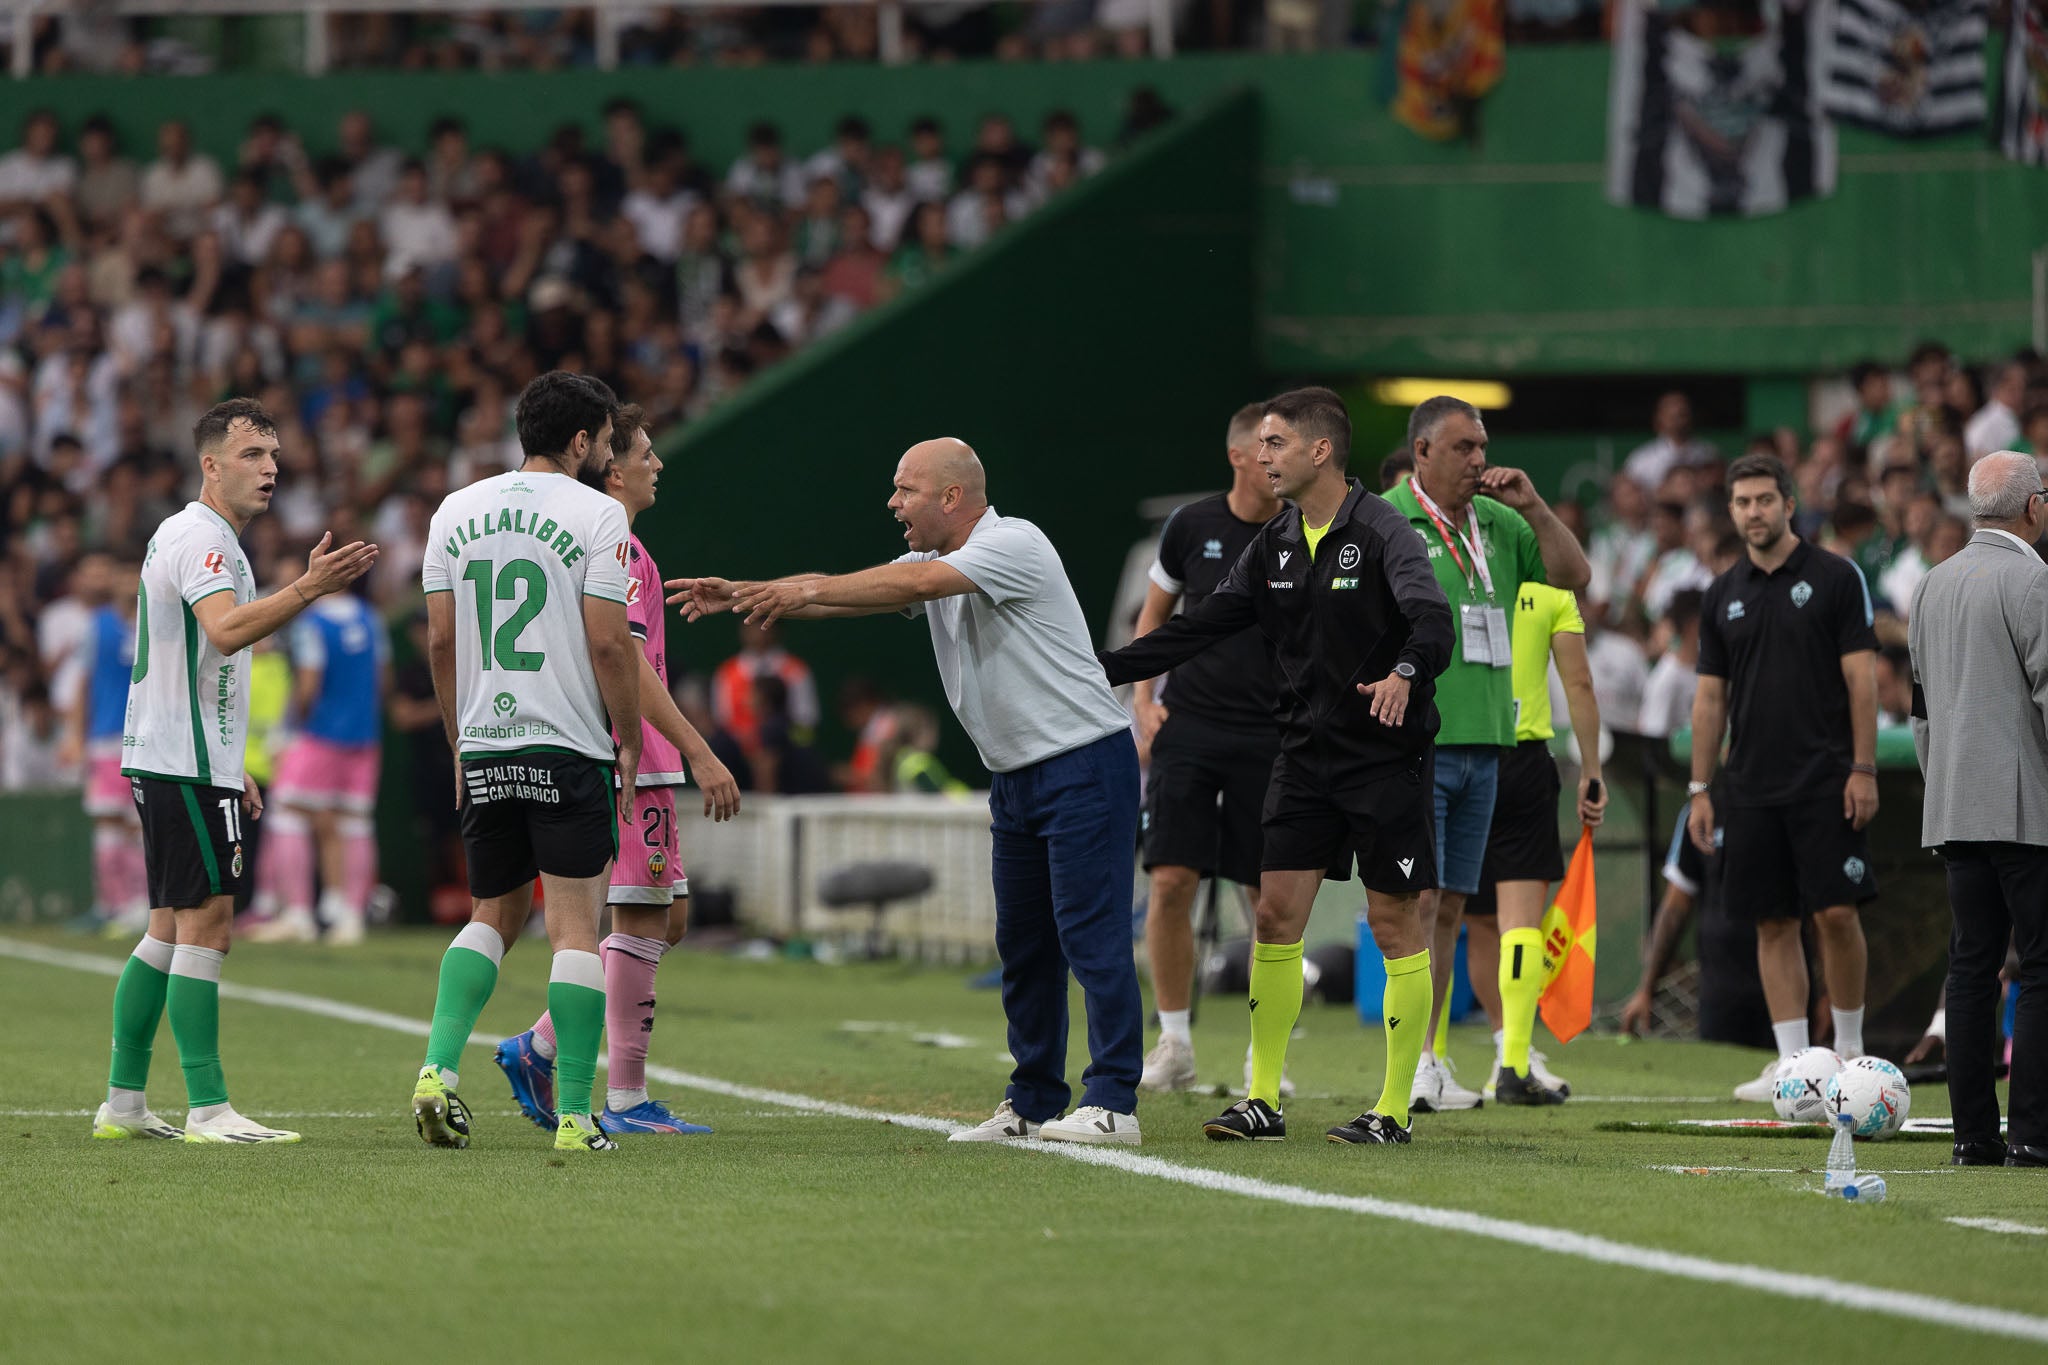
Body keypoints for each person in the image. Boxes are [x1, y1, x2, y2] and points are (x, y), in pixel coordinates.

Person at [670, 437, 1147, 1146]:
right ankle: (1034, 1100)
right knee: (1023, 943)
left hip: (1082, 764)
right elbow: (849, 593)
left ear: (951, 497)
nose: (893, 503)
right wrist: (743, 593)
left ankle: (1112, 1100)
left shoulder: (1014, 543)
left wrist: (796, 591)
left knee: (1090, 935)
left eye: (905, 490)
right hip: (1017, 776)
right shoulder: (935, 561)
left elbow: (908, 588)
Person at [1102, 387, 1455, 1146]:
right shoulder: (1277, 542)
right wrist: (1105, 670)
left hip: (1384, 758)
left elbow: (1432, 619)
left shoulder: (1385, 530)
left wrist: (1404, 673)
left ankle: (1393, 1109)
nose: (1260, 457)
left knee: (1394, 920)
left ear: (1318, 450)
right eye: (1259, 444)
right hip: (1301, 757)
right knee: (1272, 915)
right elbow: (1202, 626)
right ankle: (1262, 1098)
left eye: (1274, 444)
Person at [94, 398, 378, 1145]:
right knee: (208, 925)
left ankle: (124, 1103)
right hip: (179, 761)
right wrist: (308, 589)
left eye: (275, 455)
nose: (271, 468)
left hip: (182, 757)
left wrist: (229, 764)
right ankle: (209, 1108)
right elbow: (225, 630)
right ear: (210, 465)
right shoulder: (206, 541)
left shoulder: (196, 537)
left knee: (164, 928)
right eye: (253, 454)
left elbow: (202, 657)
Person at [410, 371, 643, 1156]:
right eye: (606, 441)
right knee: (576, 928)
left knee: (493, 914)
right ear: (581, 440)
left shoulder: (455, 508)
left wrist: (458, 739)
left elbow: (440, 642)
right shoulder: (600, 513)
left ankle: (437, 1069)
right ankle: (576, 1116)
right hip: (567, 742)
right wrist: (632, 736)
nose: (608, 455)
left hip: (485, 741)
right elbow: (611, 642)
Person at [495, 405, 741, 1138]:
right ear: (612, 469)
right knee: (639, 918)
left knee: (666, 916)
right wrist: (697, 748)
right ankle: (625, 1097)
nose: (657, 464)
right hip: (633, 757)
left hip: (625, 755)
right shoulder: (619, 551)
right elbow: (627, 658)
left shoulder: (619, 547)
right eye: (646, 452)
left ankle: (536, 1043)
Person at [1383, 396, 1590, 1113]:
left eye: (1483, 445)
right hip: (1418, 742)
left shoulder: (1502, 524)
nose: (1479, 459)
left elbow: (1575, 575)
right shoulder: (1385, 520)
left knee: (1452, 911)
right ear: (1422, 453)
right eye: (1464, 446)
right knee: (1419, 901)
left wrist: (1535, 507)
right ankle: (1410, 1063)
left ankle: (1433, 1057)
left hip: (1492, 746)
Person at [1690, 453, 1879, 1102]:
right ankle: (1795, 1061)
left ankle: (1850, 1053)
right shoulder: (1721, 593)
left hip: (1827, 777)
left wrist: (1863, 767)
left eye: (1764, 499)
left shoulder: (1834, 576)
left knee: (1834, 913)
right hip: (1748, 785)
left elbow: (1862, 680)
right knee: (1771, 921)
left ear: (1789, 503)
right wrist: (1699, 788)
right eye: (1741, 502)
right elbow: (1709, 698)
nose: (1753, 512)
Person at [1127, 402, 1281, 1094]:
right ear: (1238, 456)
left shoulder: (1303, 530)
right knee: (1170, 882)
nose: (1278, 459)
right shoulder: (1190, 525)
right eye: (1268, 446)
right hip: (1188, 726)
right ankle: (1175, 1043)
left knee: (1270, 899)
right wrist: (1141, 700)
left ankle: (1265, 1056)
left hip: (1272, 734)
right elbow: (1152, 617)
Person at [1908, 451, 2048, 1168]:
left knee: (1971, 967)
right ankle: (2032, 1132)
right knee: (2042, 966)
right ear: (2033, 508)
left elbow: (1922, 713)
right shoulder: (2034, 580)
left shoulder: (1930, 586)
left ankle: (1973, 1136)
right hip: (2028, 812)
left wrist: (1946, 788)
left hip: (1955, 805)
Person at [1459, 576, 1608, 1105]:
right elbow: (1580, 685)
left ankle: (1436, 1061)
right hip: (1523, 761)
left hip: (1459, 752)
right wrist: (1590, 769)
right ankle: (1513, 1060)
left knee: (1470, 921)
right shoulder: (1549, 587)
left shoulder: (1453, 569)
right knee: (1517, 924)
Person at [254, 581, 387, 944]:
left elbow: (310, 683)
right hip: (364, 735)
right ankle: (351, 916)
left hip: (320, 733)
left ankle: (298, 913)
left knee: (287, 810)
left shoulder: (311, 624)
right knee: (354, 822)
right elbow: (383, 679)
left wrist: (291, 728)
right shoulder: (371, 619)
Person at [59, 558, 145, 935]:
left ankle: (142, 905)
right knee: (108, 823)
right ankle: (111, 904)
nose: (127, 582)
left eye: (133, 573)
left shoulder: (159, 621)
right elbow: (82, 682)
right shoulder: (98, 626)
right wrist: (75, 735)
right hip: (106, 739)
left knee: (141, 825)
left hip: (147, 740)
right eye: (122, 574)